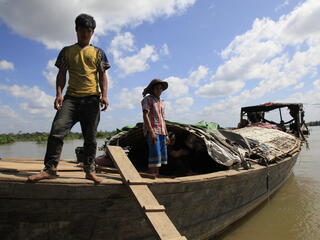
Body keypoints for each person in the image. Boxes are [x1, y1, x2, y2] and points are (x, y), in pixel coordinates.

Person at [27, 13, 110, 184]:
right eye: (81, 30)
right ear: (76, 30)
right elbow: (61, 74)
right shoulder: (66, 51)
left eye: (88, 30)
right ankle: (50, 169)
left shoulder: (98, 53)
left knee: (91, 138)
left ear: (92, 32)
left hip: (92, 100)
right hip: (71, 100)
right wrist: (58, 94)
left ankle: (89, 170)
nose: (85, 34)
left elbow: (102, 75)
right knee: (57, 131)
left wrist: (105, 95)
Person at [141, 79, 170, 177]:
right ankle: (151, 175)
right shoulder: (147, 99)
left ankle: (156, 175)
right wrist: (151, 132)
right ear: (152, 89)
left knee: (159, 158)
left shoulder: (161, 102)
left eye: (161, 88)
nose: (159, 90)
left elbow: (163, 119)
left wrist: (166, 135)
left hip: (161, 131)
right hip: (153, 131)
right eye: (157, 88)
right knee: (154, 154)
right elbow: (145, 116)